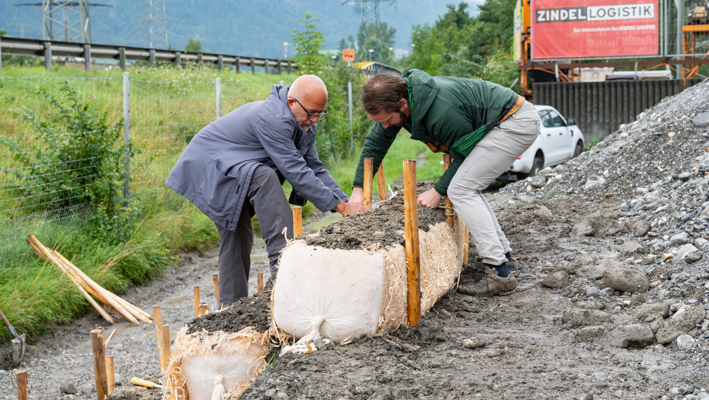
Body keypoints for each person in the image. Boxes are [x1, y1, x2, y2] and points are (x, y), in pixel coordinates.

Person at [167, 75, 366, 306]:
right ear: (291, 102)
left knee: (237, 238)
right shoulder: (273, 118)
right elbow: (295, 171)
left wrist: (346, 204)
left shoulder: (303, 123)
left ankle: (232, 310)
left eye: (319, 113)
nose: (314, 120)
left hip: (235, 169)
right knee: (264, 179)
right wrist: (341, 207)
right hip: (210, 168)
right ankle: (285, 272)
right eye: (311, 112)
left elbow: (315, 168)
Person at [348, 70, 540, 296]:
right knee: (467, 187)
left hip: (514, 122)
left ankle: (499, 272)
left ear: (402, 104)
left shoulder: (441, 111)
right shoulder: (404, 100)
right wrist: (358, 190)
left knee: (461, 190)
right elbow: (375, 144)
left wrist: (437, 190)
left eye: (388, 120)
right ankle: (505, 259)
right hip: (506, 120)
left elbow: (463, 155)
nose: (387, 126)